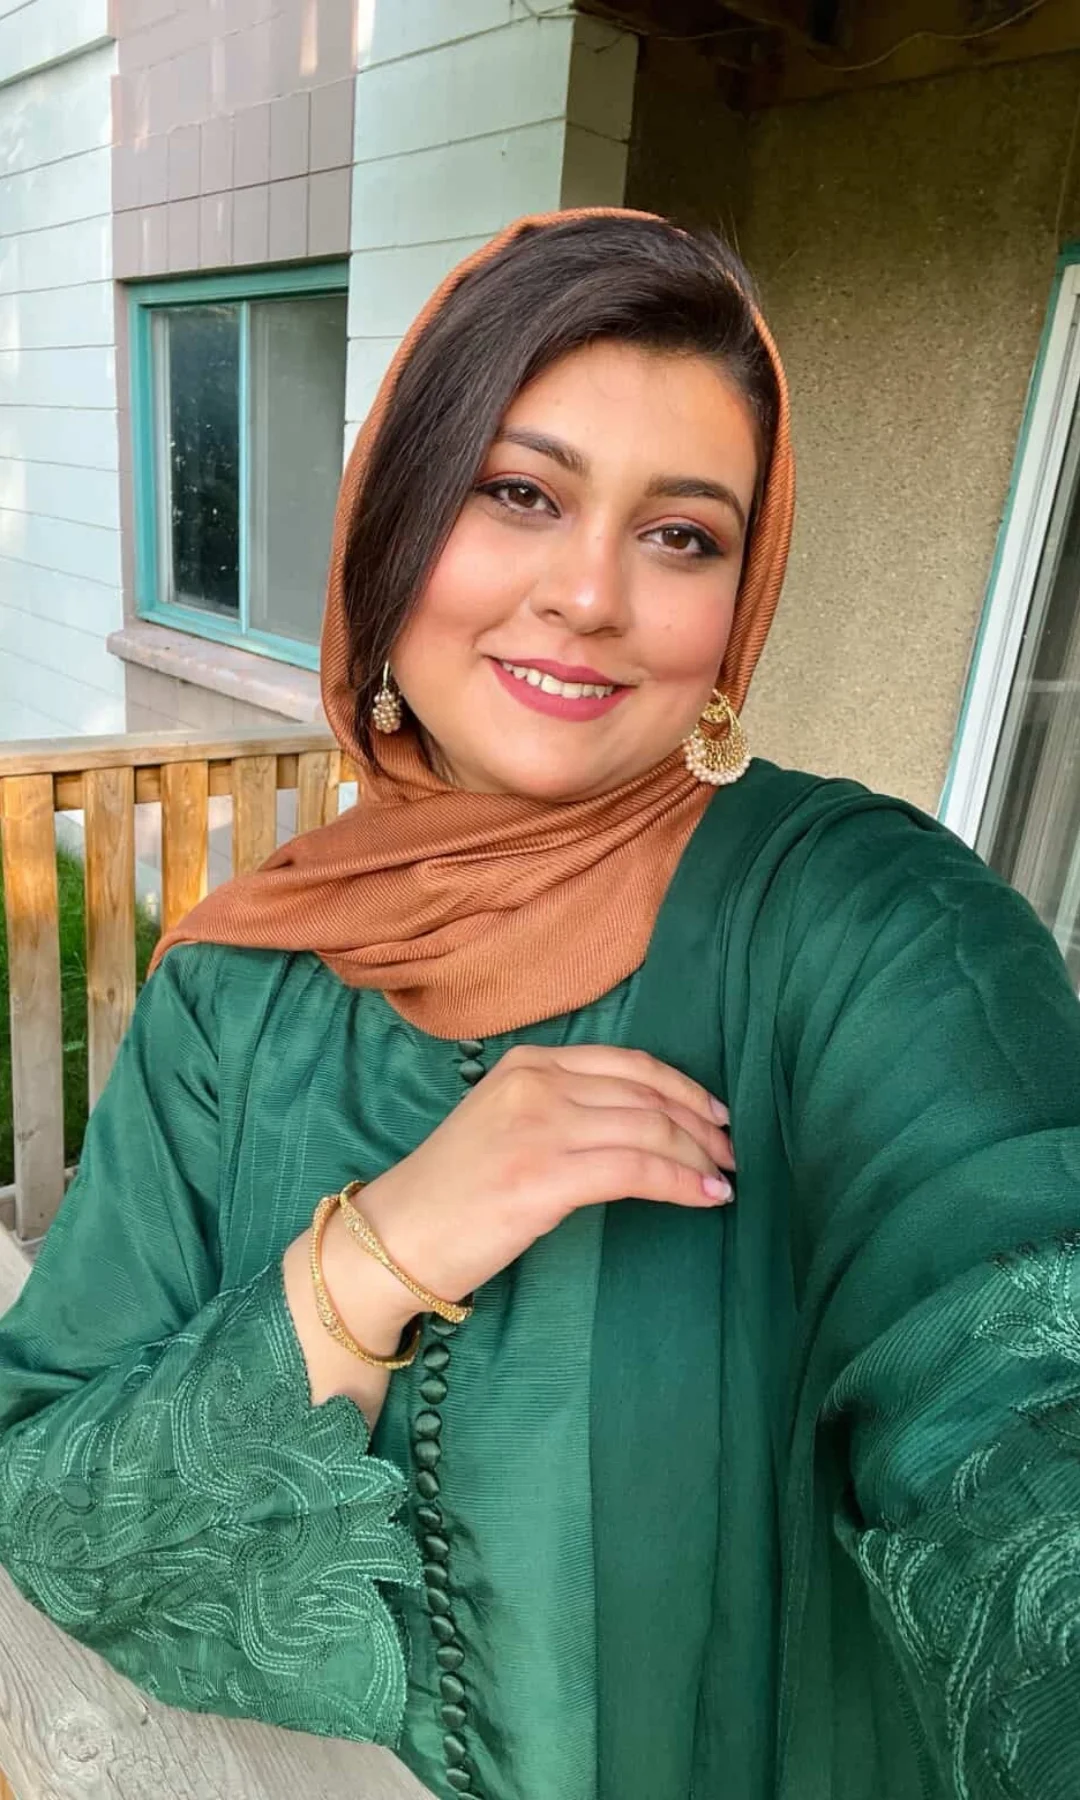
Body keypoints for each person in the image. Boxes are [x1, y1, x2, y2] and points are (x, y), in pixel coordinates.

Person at [0, 208, 1078, 1800]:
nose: (589, 594)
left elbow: (1022, 1399)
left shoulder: (868, 924)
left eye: (682, 536)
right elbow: (48, 1491)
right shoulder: (239, 988)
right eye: (520, 493)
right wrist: (376, 1257)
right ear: (393, 521)